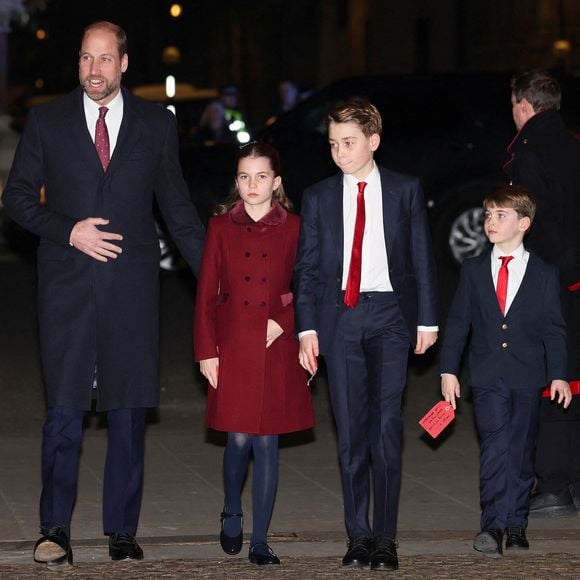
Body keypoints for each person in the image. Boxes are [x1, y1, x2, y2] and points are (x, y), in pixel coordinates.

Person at [1, 21, 204, 566]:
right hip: (65, 290)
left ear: (124, 63)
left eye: (105, 59)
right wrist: (68, 229)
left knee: (127, 414)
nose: (95, 69)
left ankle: (121, 530)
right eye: (86, 59)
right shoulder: (47, 121)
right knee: (64, 413)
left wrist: (218, 279)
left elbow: (178, 210)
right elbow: (16, 198)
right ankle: (54, 530)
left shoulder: (156, 125)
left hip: (132, 292)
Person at [294, 99, 438, 571]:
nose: (339, 152)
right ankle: (358, 535)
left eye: (349, 142)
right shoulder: (317, 196)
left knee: (386, 426)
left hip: (391, 314)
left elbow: (421, 257)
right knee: (351, 430)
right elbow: (309, 268)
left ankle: (386, 537)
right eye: (333, 144)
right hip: (341, 318)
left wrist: (427, 320)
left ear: (373, 141)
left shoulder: (405, 189)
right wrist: (307, 328)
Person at [194, 141, 314, 566]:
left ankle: (260, 539)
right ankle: (231, 507)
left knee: (267, 443)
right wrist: (207, 351)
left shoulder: (296, 226)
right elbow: (207, 292)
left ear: (276, 182)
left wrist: (286, 320)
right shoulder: (221, 226)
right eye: (244, 176)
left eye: (261, 176)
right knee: (238, 439)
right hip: (234, 343)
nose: (252, 184)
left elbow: (311, 286)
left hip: (276, 344)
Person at [440, 186, 571, 558]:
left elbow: (554, 328)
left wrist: (558, 373)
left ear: (524, 224)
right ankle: (492, 525)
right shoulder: (474, 269)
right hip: (486, 376)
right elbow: (459, 322)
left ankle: (516, 523)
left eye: (501, 215)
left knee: (521, 450)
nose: (491, 222)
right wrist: (449, 369)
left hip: (527, 376)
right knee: (495, 448)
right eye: (488, 215)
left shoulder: (544, 273)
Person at [505, 70, 580, 517]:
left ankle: (553, 483)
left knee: (552, 379)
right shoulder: (572, 143)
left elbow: (538, 223)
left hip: (555, 281)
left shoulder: (529, 153)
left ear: (523, 105)